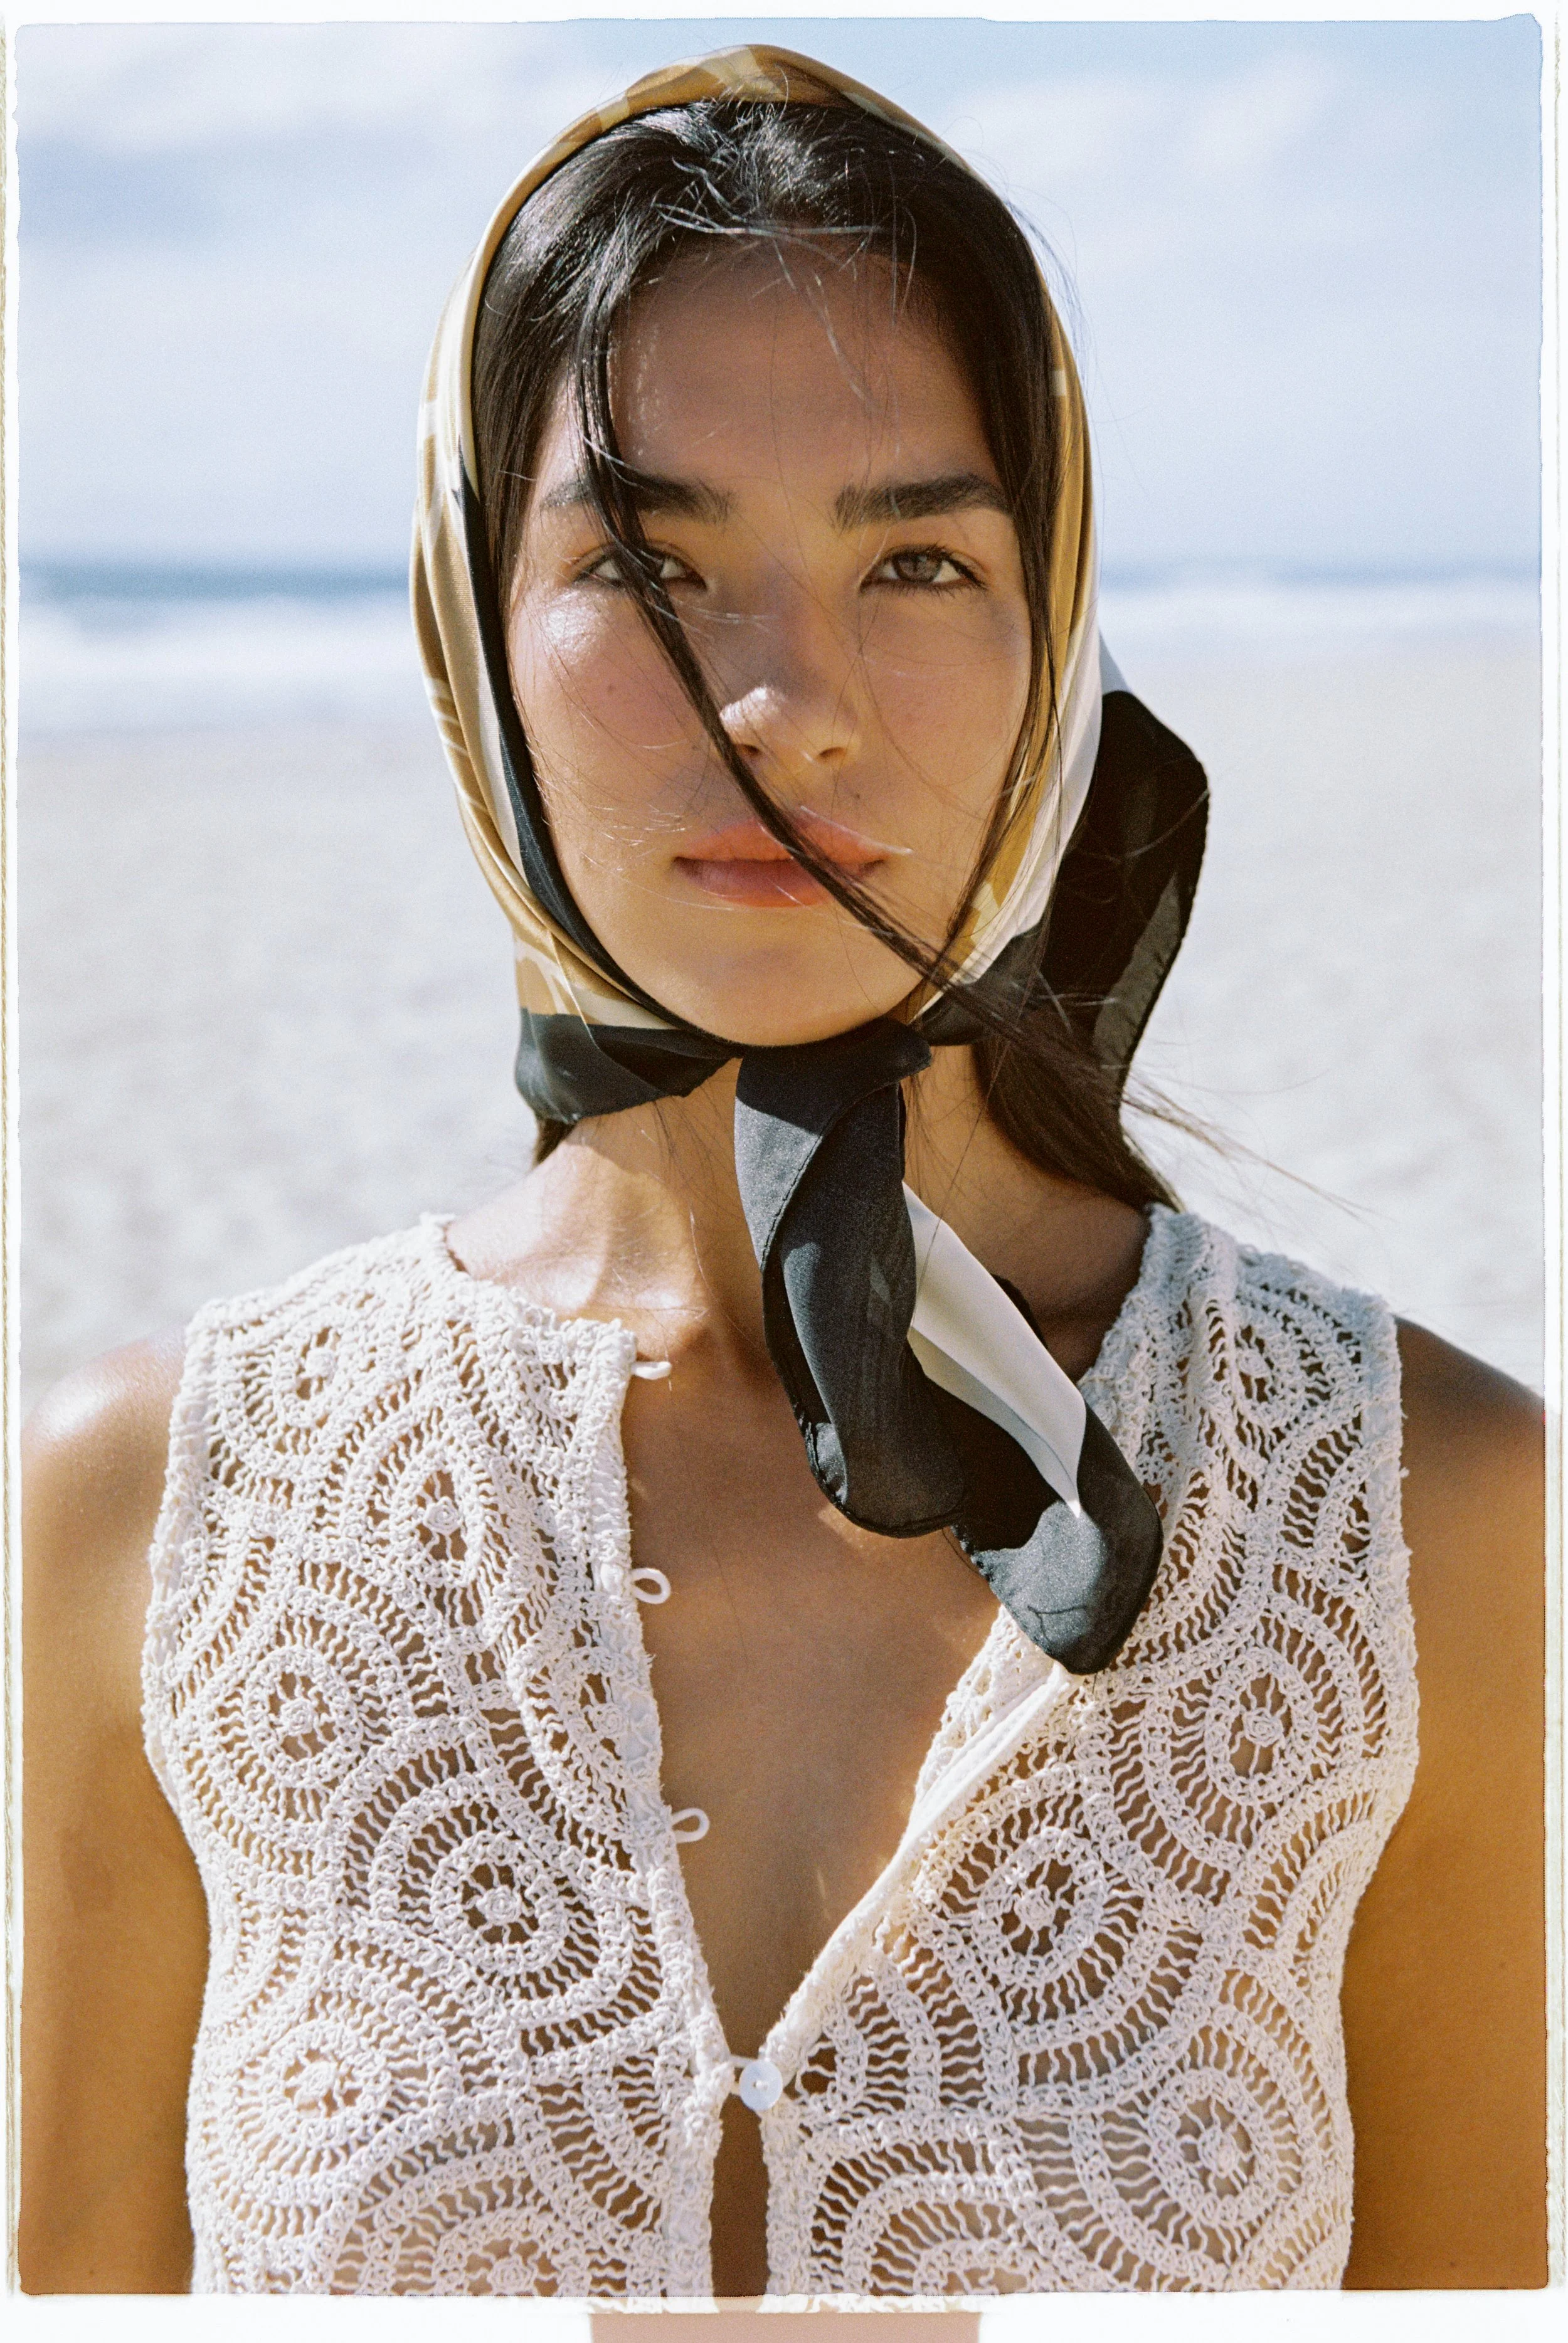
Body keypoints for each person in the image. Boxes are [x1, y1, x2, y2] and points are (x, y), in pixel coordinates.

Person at [21, 46, 1545, 2298]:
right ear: (469, 625)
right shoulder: (159, 1513)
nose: (780, 705)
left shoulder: (1429, 1521)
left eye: (916, 558)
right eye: (647, 560)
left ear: (1058, 648)